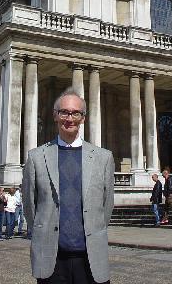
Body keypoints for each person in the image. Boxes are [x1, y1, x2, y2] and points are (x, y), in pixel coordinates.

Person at [22, 87, 115, 284]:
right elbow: (30, 207)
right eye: (64, 112)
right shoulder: (37, 157)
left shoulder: (103, 157)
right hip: (52, 260)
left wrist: (94, 230)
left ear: (83, 118)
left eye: (75, 113)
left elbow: (106, 207)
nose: (69, 118)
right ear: (55, 116)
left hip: (90, 258)